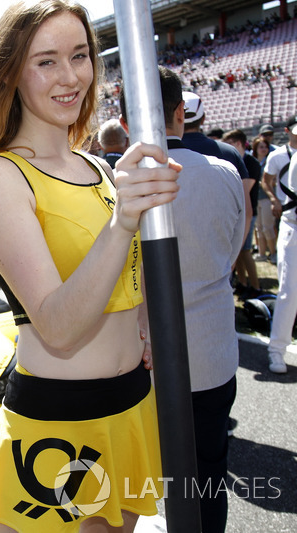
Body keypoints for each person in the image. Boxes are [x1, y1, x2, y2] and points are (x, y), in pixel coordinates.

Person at [0, 3, 181, 531]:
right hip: (60, 422)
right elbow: (57, 326)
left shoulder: (98, 168)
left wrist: (145, 320)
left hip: (129, 406)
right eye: (47, 61)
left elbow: (123, 276)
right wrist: (124, 220)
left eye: (79, 56)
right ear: (11, 71)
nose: (70, 76)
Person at [122, 67, 244, 533]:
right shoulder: (225, 171)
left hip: (145, 354)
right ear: (180, 112)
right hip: (213, 348)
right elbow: (234, 248)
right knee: (209, 471)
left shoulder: (117, 185)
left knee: (148, 476)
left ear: (130, 121)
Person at [265, 117, 297, 374]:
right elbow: (268, 180)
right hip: (293, 226)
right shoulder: (289, 158)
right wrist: (274, 200)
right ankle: (277, 349)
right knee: (289, 292)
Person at [222, 129, 262, 300]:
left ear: (238, 143)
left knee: (245, 252)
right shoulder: (238, 161)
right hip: (239, 212)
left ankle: (256, 287)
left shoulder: (251, 163)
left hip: (248, 213)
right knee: (237, 254)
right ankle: (243, 284)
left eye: (229, 143)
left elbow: (244, 191)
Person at [252, 136, 276, 262]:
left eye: (265, 147)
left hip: (267, 198)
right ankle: (261, 254)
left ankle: (273, 253)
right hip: (257, 198)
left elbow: (273, 181)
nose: (264, 149)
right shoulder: (253, 161)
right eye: (261, 147)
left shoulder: (270, 161)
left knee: (268, 227)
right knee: (259, 228)